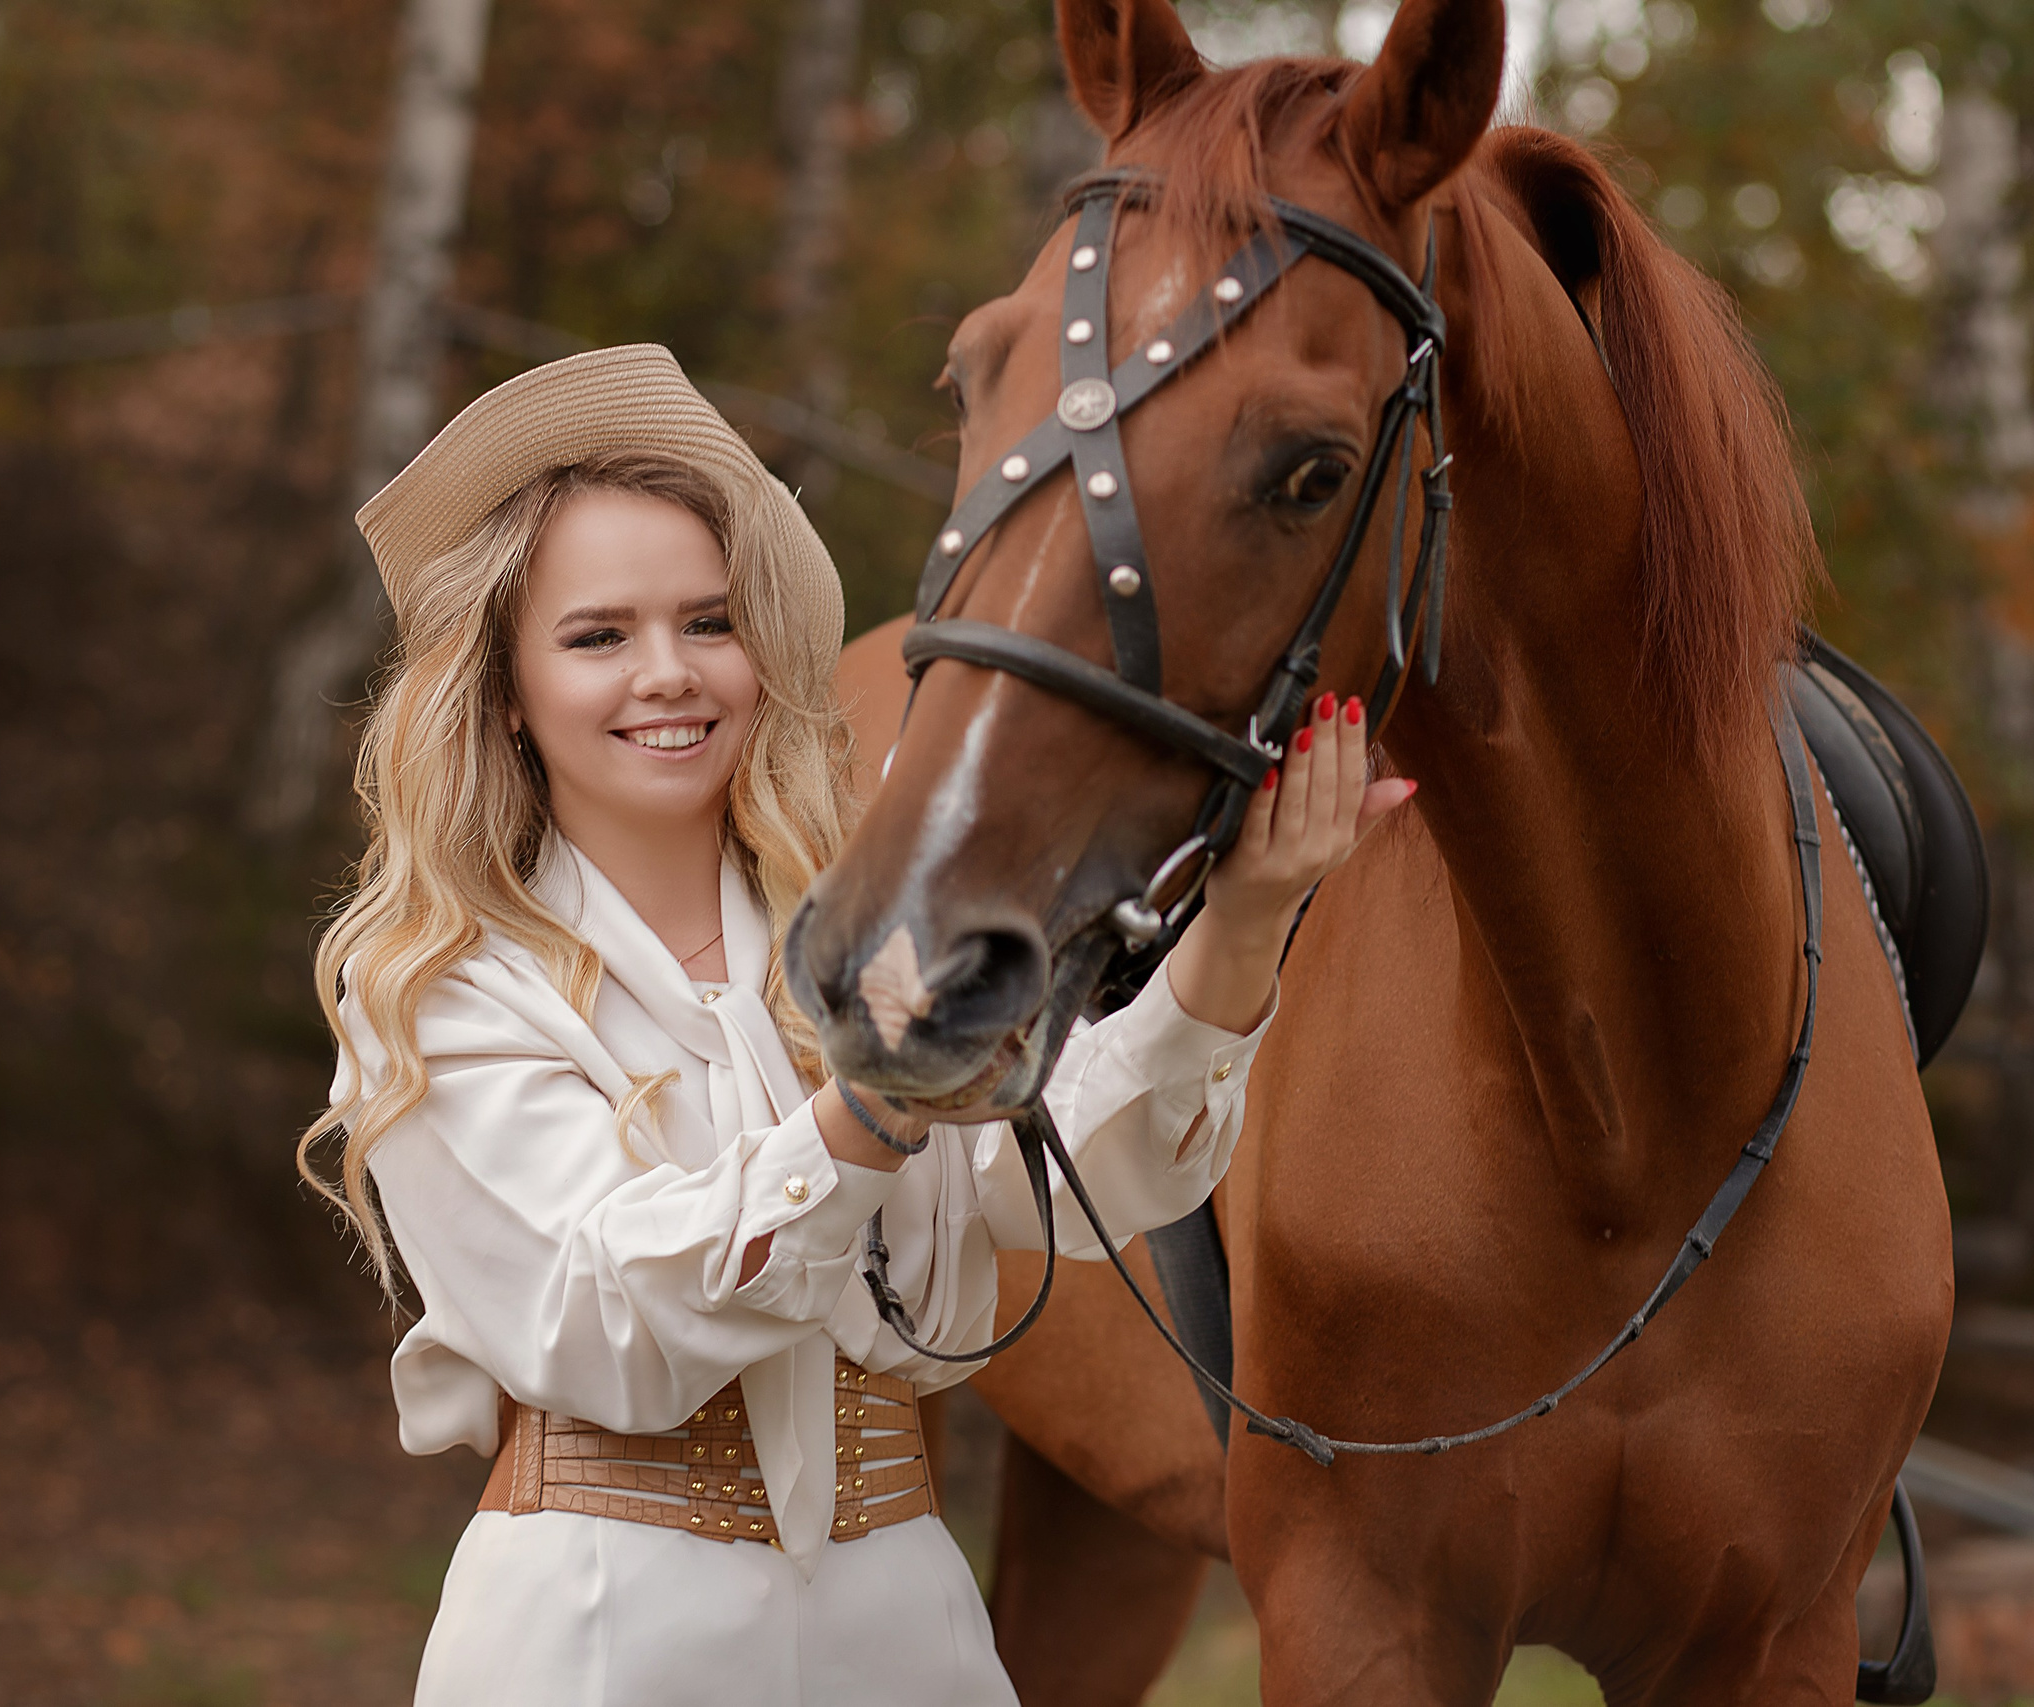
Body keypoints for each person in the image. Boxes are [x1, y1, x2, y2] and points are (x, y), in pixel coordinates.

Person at [301, 345, 1411, 1706]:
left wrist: (1247, 922)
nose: (670, 673)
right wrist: (874, 1105)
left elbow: (1055, 1178)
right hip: (600, 1637)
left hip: (905, 1628)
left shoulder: (847, 930)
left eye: (708, 623)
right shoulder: (442, 984)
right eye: (599, 636)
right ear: (508, 692)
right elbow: (606, 1317)